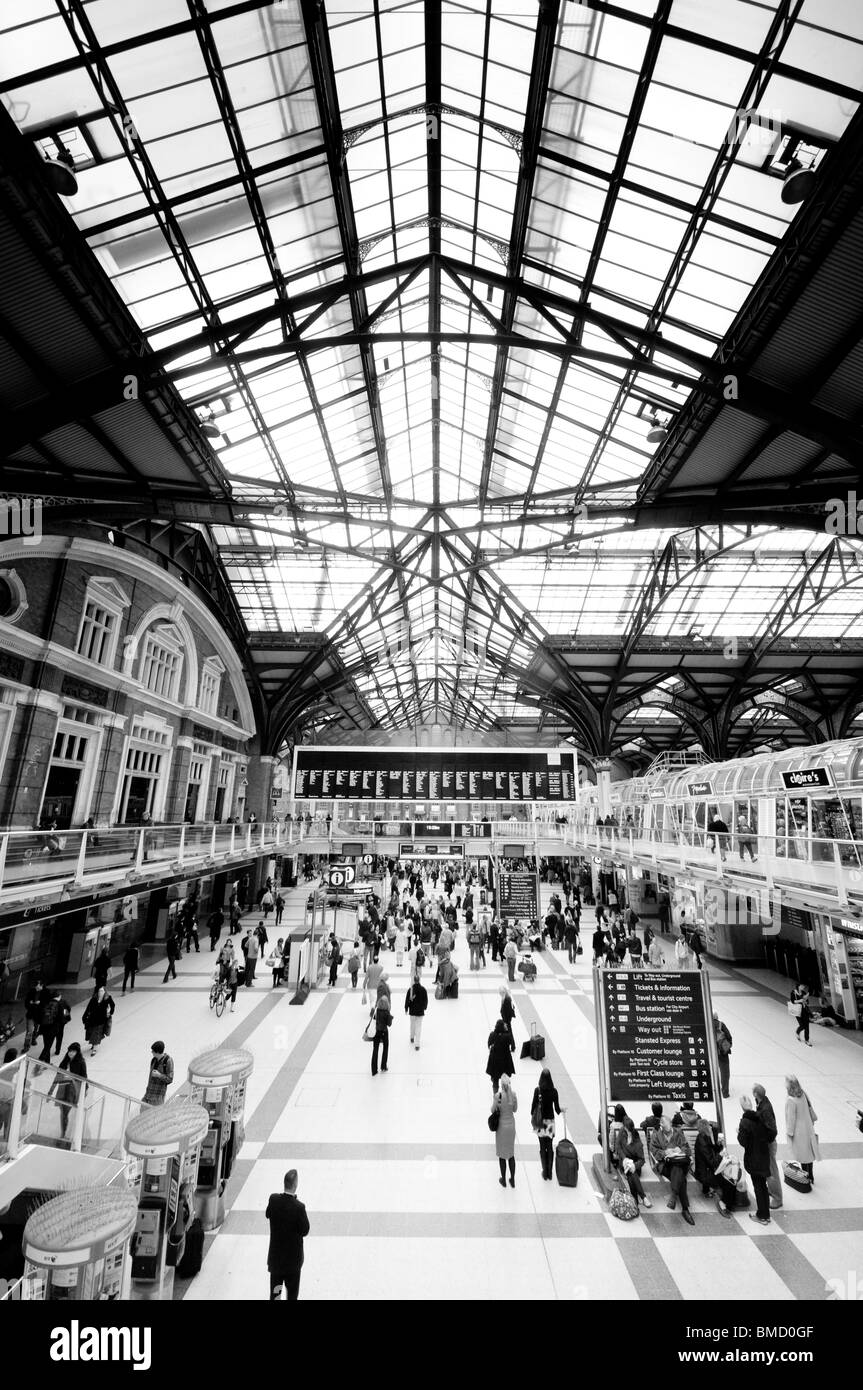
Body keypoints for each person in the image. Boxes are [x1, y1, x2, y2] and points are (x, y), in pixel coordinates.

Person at [265, 1170, 310, 1301]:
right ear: (295, 1185)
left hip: (276, 1262)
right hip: (292, 1264)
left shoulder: (273, 1200)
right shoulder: (299, 1207)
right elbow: (305, 1231)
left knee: (275, 1295)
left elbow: (268, 1214)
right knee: (292, 1295)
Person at [649, 1115, 694, 1224]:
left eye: (670, 1130)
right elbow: (653, 1151)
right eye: (666, 1130)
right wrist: (665, 1152)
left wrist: (680, 1149)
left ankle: (674, 1196)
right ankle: (685, 1209)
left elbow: (687, 1149)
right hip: (665, 1164)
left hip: (679, 1162)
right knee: (681, 1178)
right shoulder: (656, 1136)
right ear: (661, 1126)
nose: (669, 1132)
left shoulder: (678, 1133)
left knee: (677, 1168)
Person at [738, 1093, 772, 1225]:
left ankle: (762, 1215)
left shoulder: (745, 1122)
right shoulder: (761, 1117)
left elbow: (743, 1142)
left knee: (758, 1186)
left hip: (753, 1158)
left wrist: (739, 1132)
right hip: (763, 1156)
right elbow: (770, 1134)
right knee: (763, 1186)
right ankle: (766, 1213)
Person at [693, 1118, 735, 1216]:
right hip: (705, 1173)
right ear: (706, 1129)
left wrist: (719, 1145)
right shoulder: (702, 1139)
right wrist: (720, 1154)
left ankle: (728, 1202)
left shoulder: (705, 1136)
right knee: (728, 1181)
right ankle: (723, 1203)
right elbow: (712, 1161)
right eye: (710, 1129)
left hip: (711, 1169)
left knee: (731, 1178)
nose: (711, 1130)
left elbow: (712, 1148)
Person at [785, 1074, 820, 1184]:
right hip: (808, 1126)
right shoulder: (803, 1093)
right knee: (809, 1153)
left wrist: (789, 1132)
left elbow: (791, 1118)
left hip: (799, 1131)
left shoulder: (791, 1099)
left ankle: (806, 1179)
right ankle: (811, 1176)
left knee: (803, 1155)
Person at [49, 1042, 87, 1141]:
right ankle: (64, 1133)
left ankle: (64, 1133)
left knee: (65, 1111)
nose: (70, 1053)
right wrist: (51, 1090)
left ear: (77, 1052)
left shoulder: (81, 1062)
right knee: (63, 1111)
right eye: (70, 1051)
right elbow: (58, 1076)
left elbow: (84, 1077)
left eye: (73, 1051)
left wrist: (85, 1090)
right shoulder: (65, 1061)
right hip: (62, 1088)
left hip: (72, 1089)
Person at [752, 1083, 782, 1210]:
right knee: (768, 1169)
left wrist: (765, 1141)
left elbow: (773, 1130)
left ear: (756, 1094)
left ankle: (777, 1198)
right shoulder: (762, 1103)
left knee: (771, 1171)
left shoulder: (765, 1109)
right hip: (767, 1143)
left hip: (768, 1144)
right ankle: (772, 1191)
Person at [531, 1067, 562, 1181]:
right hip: (550, 1121)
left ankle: (544, 1171)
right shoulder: (554, 1091)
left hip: (540, 1122)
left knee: (542, 1146)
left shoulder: (537, 1090)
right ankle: (550, 1172)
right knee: (550, 1145)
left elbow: (533, 1107)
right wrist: (561, 1110)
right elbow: (557, 1109)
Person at [615, 1116, 651, 1208]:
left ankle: (635, 1201)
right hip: (624, 1162)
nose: (626, 1131)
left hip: (635, 1165)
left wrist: (634, 1165)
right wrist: (624, 1158)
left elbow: (642, 1160)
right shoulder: (622, 1131)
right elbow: (618, 1146)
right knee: (631, 1172)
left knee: (632, 1174)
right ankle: (643, 1198)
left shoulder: (636, 1139)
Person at [491, 1074, 518, 1188]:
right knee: (511, 1154)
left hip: (501, 1128)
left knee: (502, 1155)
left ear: (501, 1084)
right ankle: (512, 1179)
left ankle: (503, 1179)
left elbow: (493, 1110)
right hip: (511, 1126)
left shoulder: (498, 1096)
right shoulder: (513, 1095)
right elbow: (515, 1109)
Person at [37, 989, 70, 1063]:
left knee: (46, 1045)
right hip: (53, 1029)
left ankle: (47, 1062)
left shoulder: (46, 1002)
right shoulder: (60, 1004)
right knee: (47, 1047)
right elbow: (62, 1017)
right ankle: (39, 1062)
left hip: (44, 1028)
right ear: (59, 996)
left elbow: (40, 1015)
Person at [83, 985, 115, 1056]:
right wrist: (84, 1017)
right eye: (99, 991)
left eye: (102, 991)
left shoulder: (108, 998)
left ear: (105, 991)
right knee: (91, 1032)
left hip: (101, 1020)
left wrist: (110, 1013)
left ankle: (95, 1048)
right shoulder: (93, 999)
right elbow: (88, 1008)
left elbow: (113, 1005)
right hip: (92, 1019)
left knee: (97, 1033)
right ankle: (94, 1044)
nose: (100, 992)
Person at [486, 1017, 516, 1093]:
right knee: (505, 1078)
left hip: (495, 1061)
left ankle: (495, 1095)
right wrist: (506, 1030)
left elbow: (489, 1044)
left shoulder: (492, 1035)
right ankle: (505, 1095)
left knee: (495, 1079)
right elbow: (511, 1042)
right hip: (505, 1061)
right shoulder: (507, 1036)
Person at [143, 1041, 174, 1105]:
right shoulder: (153, 1060)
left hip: (157, 1098)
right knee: (143, 1113)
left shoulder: (168, 1061)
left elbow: (170, 1079)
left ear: (157, 1052)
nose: (152, 1052)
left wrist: (159, 1075)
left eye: (153, 1051)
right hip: (147, 1096)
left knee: (155, 1114)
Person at [371, 990, 391, 1076]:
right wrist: (390, 1018)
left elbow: (374, 1018)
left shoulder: (377, 1010)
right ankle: (383, 1066)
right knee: (385, 1048)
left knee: (375, 1049)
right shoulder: (387, 1012)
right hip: (384, 1031)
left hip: (377, 1032)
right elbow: (389, 1024)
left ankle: (374, 1069)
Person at [404, 978, 428, 1050]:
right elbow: (426, 1000)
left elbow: (407, 1000)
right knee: (418, 1027)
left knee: (412, 1025)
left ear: (414, 980)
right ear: (419, 980)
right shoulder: (423, 989)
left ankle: (411, 1037)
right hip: (420, 1011)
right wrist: (424, 1007)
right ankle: (417, 1044)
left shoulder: (411, 990)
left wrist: (406, 1008)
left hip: (412, 1011)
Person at [713, 1012, 732, 1098]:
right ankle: (725, 1093)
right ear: (717, 1017)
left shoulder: (706, 1025)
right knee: (724, 1072)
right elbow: (729, 1037)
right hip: (722, 1052)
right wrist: (728, 1046)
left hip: (711, 1052)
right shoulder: (721, 1025)